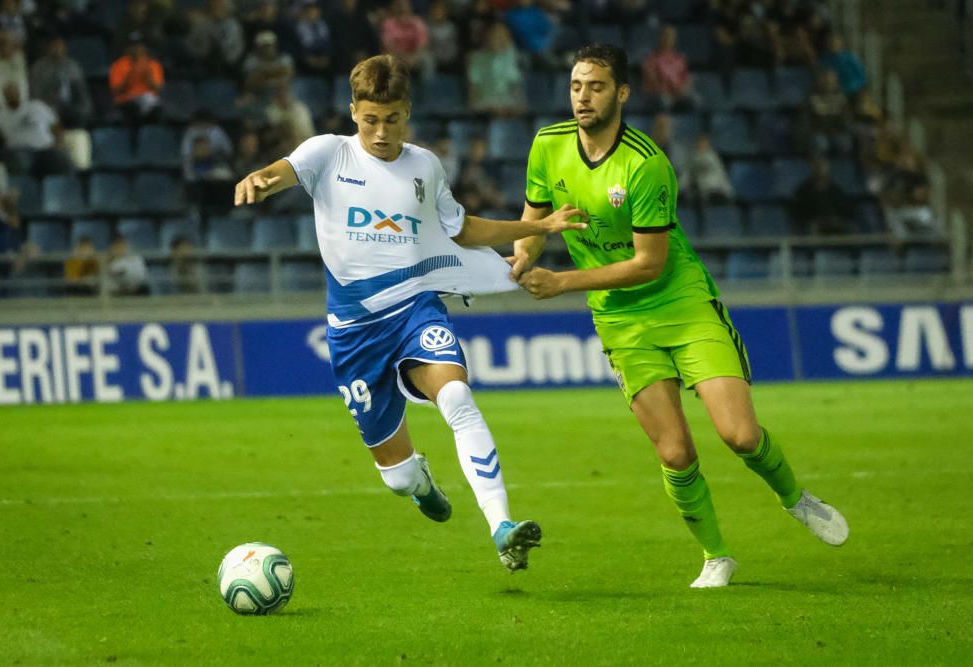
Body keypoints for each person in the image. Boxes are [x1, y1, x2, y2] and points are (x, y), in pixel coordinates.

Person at [510, 43, 849, 588]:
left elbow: (648, 264)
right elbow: (536, 218)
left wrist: (562, 282)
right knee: (674, 450)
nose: (582, 97)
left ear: (621, 93)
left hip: (681, 303)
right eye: (575, 86)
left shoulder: (646, 165)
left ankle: (794, 497)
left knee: (739, 435)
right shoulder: (547, 146)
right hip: (620, 320)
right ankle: (717, 555)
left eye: (595, 87)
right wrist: (523, 255)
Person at [233, 54, 587, 572]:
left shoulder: (424, 166)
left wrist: (539, 227)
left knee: (458, 395)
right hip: (355, 334)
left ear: (408, 113)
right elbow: (282, 172)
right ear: (353, 111)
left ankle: (502, 527)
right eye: (370, 119)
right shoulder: (328, 153)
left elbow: (462, 231)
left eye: (392, 119)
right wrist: (260, 180)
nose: (380, 132)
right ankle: (419, 481)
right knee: (396, 476)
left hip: (415, 310)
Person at [108, 32, 165, 124]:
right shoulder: (119, 65)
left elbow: (158, 89)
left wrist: (148, 76)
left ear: (145, 48)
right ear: (126, 48)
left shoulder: (153, 64)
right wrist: (131, 75)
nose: (136, 49)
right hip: (127, 101)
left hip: (148, 101)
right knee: (133, 108)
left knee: (158, 109)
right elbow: (116, 91)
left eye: (139, 45)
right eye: (132, 46)